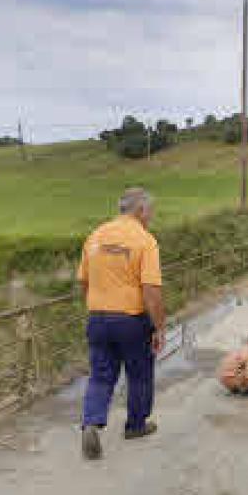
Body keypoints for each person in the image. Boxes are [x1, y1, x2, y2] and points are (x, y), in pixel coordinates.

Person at [77, 187, 166, 460]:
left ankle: (92, 423)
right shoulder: (144, 240)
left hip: (98, 317)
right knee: (139, 374)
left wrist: (98, 307)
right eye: (149, 212)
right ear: (140, 211)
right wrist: (159, 326)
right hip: (131, 320)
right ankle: (136, 425)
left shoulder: (95, 236)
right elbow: (151, 290)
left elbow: (83, 281)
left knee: (101, 375)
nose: (150, 217)